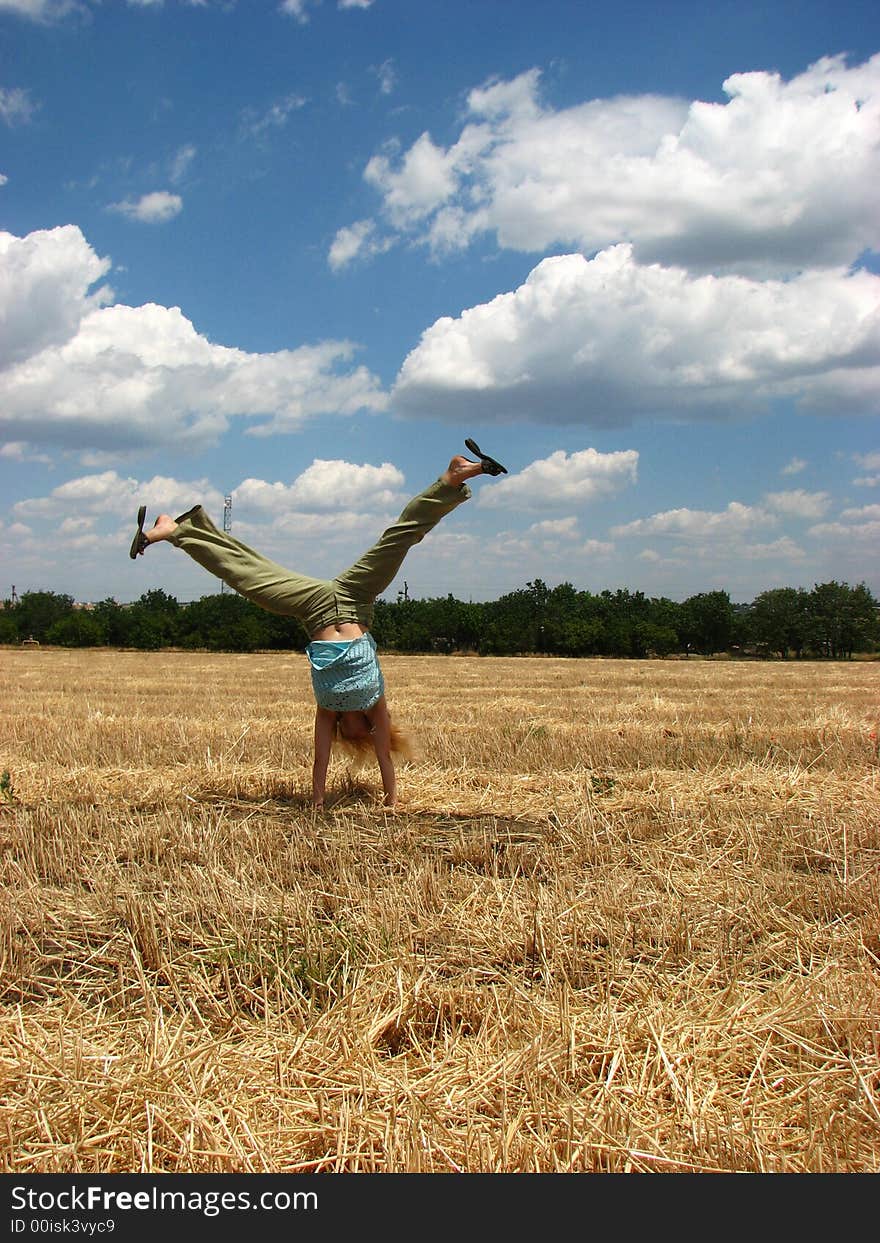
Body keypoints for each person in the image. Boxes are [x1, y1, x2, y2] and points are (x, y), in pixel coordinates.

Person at [129, 440, 507, 811]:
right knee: (401, 537)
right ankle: (452, 478)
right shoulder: (376, 710)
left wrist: (317, 800)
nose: (358, 739)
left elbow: (320, 759)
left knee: (248, 578)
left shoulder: (329, 711)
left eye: (353, 739)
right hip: (356, 598)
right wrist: (392, 799)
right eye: (363, 740)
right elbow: (385, 761)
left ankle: (176, 531)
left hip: (314, 609)